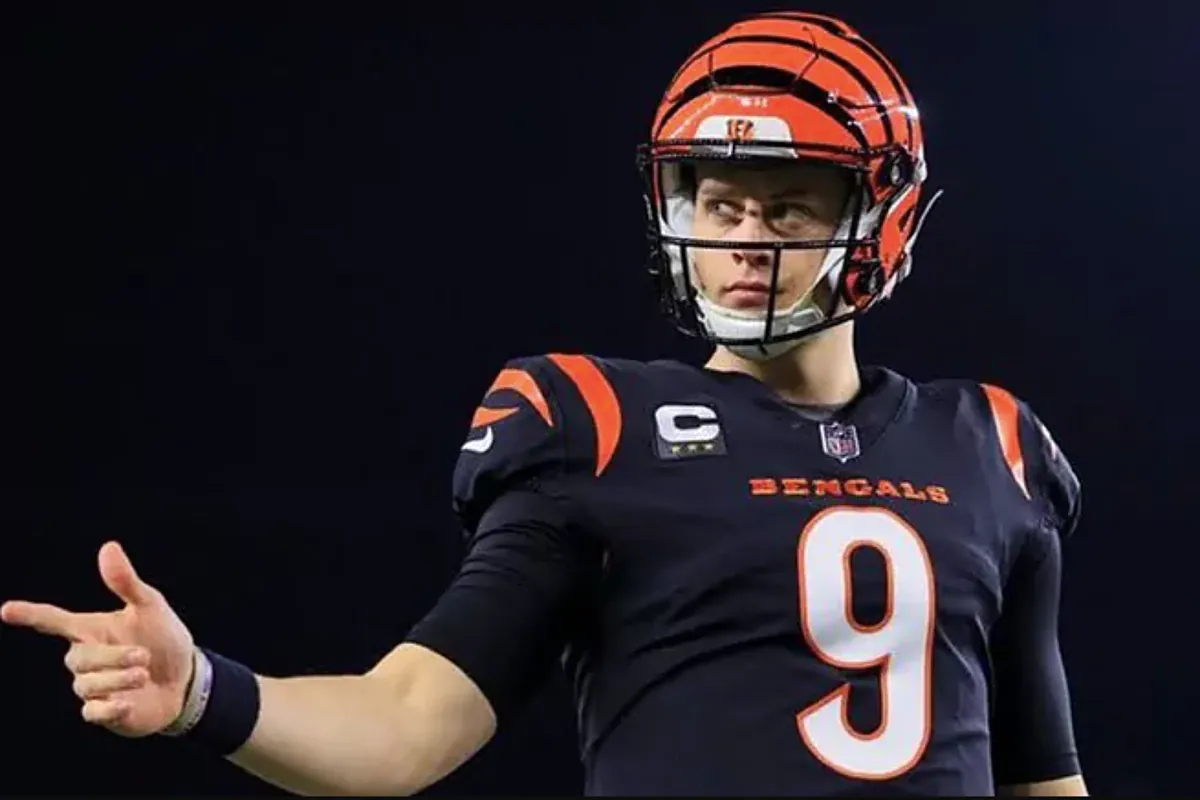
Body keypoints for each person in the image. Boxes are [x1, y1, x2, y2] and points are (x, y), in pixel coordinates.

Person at [3, 11, 1088, 797]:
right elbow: (406, 722)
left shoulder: (991, 445)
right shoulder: (598, 427)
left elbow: (1044, 776)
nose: (745, 241)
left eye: (790, 208)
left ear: (883, 219)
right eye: (720, 204)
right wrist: (204, 687)